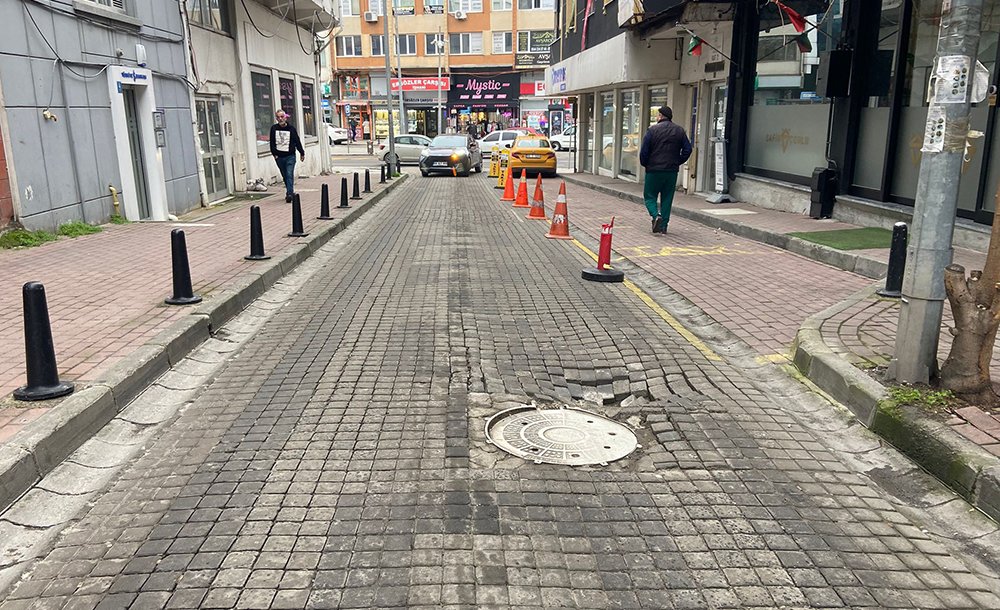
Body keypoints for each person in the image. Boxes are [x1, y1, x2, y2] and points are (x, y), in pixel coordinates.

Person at [639, 106, 691, 234]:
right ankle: (663, 226)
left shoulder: (652, 130)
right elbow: (688, 149)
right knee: (667, 198)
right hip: (671, 171)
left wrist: (645, 164)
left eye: (658, 115)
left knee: (649, 196)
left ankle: (656, 215)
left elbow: (644, 151)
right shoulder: (679, 131)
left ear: (661, 116)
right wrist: (678, 161)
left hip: (654, 170)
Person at [269, 109, 305, 203]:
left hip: (290, 156)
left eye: (282, 117)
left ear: (285, 117)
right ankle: (289, 191)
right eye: (278, 117)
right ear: (276, 118)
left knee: (289, 174)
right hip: (279, 157)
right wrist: (274, 154)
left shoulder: (291, 129)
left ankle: (289, 194)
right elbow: (272, 142)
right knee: (284, 175)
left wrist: (301, 152)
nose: (280, 119)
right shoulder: (274, 128)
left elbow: (297, 141)